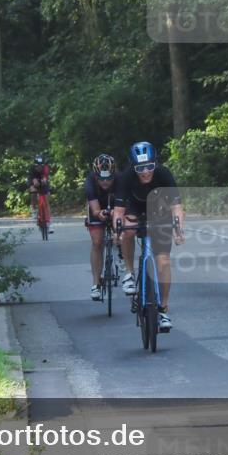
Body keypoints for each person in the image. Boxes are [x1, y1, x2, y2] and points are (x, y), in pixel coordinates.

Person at [112, 141, 185, 332]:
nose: (145, 172)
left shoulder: (163, 174)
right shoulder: (126, 177)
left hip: (159, 210)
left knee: (164, 263)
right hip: (133, 207)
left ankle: (163, 310)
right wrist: (116, 232)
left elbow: (177, 207)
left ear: (155, 163)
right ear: (132, 166)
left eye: (149, 167)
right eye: (140, 168)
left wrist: (178, 230)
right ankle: (129, 272)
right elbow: (118, 211)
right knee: (127, 229)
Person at [85, 153, 118, 301]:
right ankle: (96, 283)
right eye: (102, 179)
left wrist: (115, 215)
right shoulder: (90, 182)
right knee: (97, 243)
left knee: (122, 231)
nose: (105, 182)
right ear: (96, 176)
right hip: (97, 207)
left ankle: (123, 254)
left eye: (109, 178)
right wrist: (100, 214)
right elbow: (95, 210)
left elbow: (124, 207)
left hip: (116, 204)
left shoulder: (120, 180)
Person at [28, 154, 52, 231]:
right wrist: (34, 183)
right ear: (35, 166)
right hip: (34, 180)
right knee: (33, 191)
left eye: (40, 166)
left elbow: (45, 178)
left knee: (46, 199)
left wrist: (44, 180)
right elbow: (32, 180)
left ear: (43, 165)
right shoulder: (32, 169)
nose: (39, 167)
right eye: (37, 166)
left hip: (42, 181)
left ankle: (48, 223)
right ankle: (34, 209)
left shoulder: (45, 168)